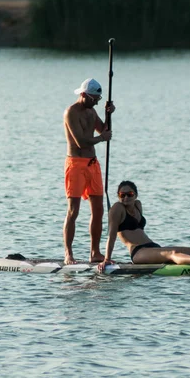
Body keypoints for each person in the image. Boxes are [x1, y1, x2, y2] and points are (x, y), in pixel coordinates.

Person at [64, 78, 115, 265]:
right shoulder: (71, 112)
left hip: (93, 164)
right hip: (76, 164)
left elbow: (105, 130)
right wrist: (101, 138)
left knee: (98, 210)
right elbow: (81, 141)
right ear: (83, 95)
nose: (96, 102)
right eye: (94, 99)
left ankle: (95, 252)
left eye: (98, 100)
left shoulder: (92, 111)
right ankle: (68, 253)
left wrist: (108, 114)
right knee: (73, 210)